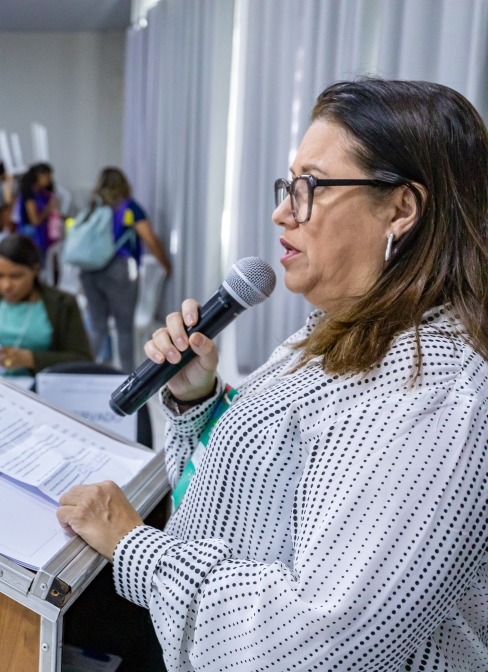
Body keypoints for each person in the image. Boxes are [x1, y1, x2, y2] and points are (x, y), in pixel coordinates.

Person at [57, 79, 488, 671]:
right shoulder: (341, 330)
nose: (281, 211)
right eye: (289, 186)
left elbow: (319, 645)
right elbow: (247, 504)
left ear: (401, 209)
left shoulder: (431, 390)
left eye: (310, 186)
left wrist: (136, 547)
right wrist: (200, 401)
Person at [79, 168, 171, 372]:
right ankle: (128, 376)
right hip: (119, 271)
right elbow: (150, 239)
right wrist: (166, 264)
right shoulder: (130, 207)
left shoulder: (93, 207)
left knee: (97, 326)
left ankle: (85, 372)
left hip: (89, 271)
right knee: (124, 328)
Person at [0, 234, 90, 375]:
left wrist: (31, 359)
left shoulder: (62, 304)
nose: (6, 286)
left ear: (35, 270)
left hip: (40, 385)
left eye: (16, 276)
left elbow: (82, 359)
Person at [14, 163, 58, 256]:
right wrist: (48, 209)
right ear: (39, 176)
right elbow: (35, 220)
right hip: (32, 238)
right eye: (47, 176)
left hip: (43, 236)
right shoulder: (29, 194)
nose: (50, 179)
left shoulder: (43, 194)